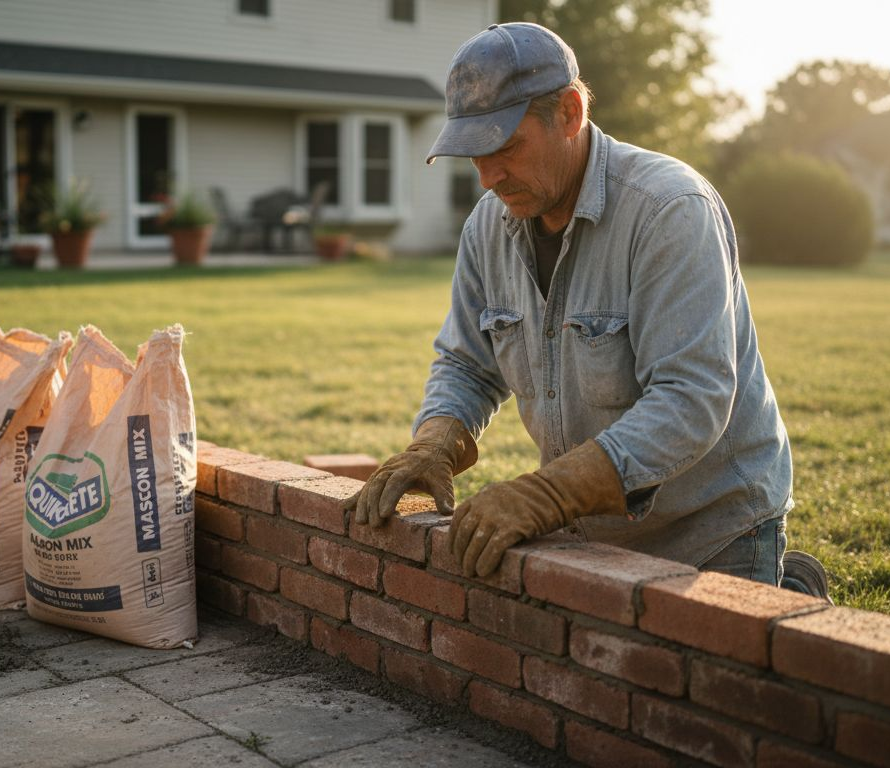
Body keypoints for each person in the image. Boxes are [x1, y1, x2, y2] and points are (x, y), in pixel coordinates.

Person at [345, 22, 829, 600]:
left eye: (503, 147)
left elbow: (690, 398)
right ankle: (791, 586)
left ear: (570, 113)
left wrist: (545, 495)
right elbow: (468, 365)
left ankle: (786, 588)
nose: (487, 176)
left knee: (705, 689)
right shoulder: (487, 226)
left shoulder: (669, 209)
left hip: (711, 528)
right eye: (473, 154)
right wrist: (434, 442)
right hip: (592, 530)